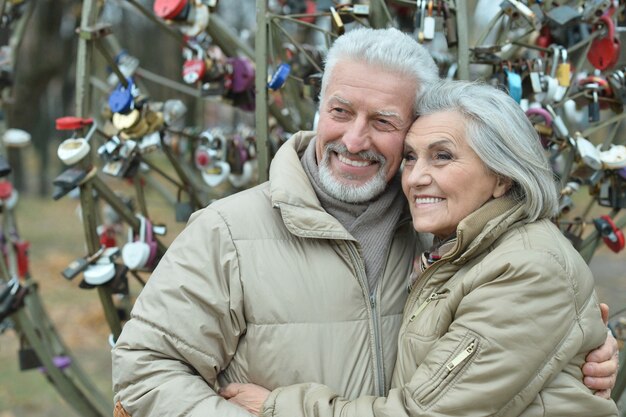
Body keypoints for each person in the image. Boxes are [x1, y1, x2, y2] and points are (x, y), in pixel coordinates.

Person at [111, 28, 618, 417]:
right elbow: (144, 370)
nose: (354, 140)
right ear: (317, 110)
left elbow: (526, 318)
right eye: (341, 111)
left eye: (383, 122)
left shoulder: (447, 231)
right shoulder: (228, 231)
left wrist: (581, 346)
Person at [219, 80, 620, 416]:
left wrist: (277, 407)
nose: (416, 178)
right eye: (410, 157)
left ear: (502, 177)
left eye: (442, 156)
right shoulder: (459, 251)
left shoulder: (527, 267)